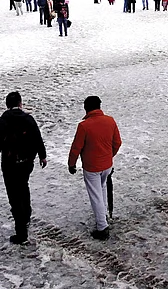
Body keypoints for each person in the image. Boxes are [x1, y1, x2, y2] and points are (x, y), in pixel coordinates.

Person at [0, 91, 47, 245]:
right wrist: (42, 156)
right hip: (27, 162)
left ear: (7, 105)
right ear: (20, 103)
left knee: (13, 195)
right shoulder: (29, 119)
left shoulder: (2, 121)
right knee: (23, 186)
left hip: (9, 163)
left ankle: (21, 233)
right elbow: (38, 138)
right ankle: (26, 216)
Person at [67, 95, 122, 241]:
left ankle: (102, 227)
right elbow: (117, 142)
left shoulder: (84, 126)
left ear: (86, 108)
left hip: (92, 167)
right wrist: (110, 156)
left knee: (95, 196)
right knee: (102, 189)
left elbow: (76, 148)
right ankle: (102, 215)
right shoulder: (110, 121)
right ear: (99, 106)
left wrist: (71, 164)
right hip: (107, 165)